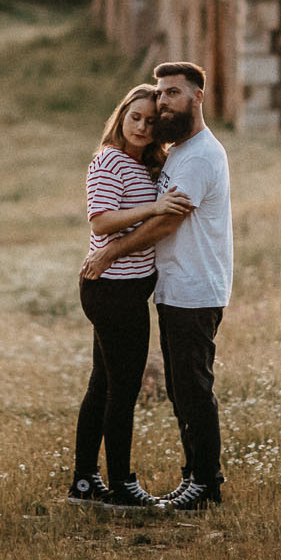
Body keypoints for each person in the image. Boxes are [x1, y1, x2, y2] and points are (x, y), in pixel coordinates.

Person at [82, 61, 231, 511]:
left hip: (194, 290)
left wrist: (111, 251)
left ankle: (203, 483)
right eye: (160, 93)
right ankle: (97, 480)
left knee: (191, 390)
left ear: (197, 97)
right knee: (134, 386)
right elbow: (111, 208)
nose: (164, 102)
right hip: (166, 289)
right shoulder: (171, 153)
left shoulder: (201, 155)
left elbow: (168, 220)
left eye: (173, 93)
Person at [70, 83, 196, 510]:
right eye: (135, 117)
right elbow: (102, 221)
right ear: (120, 118)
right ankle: (122, 487)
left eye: (150, 120)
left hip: (123, 289)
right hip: (112, 292)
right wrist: (154, 209)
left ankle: (84, 484)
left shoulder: (142, 164)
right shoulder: (110, 161)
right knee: (122, 392)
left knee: (102, 385)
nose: (142, 126)